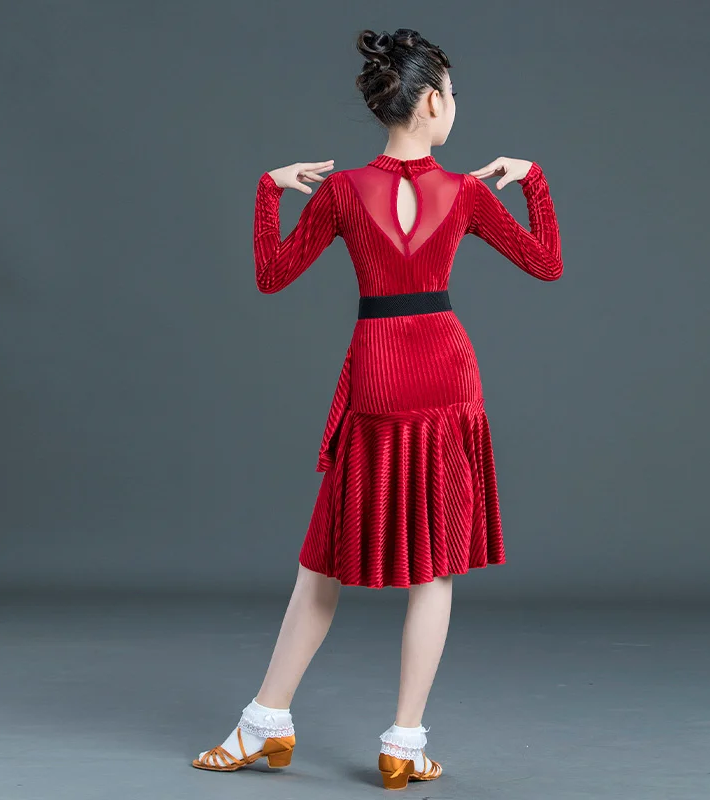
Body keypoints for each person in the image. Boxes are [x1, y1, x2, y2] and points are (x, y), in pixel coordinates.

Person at [192, 26, 562, 791]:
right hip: (447, 372)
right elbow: (546, 263)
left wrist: (267, 190)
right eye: (452, 92)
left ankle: (265, 720)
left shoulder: (339, 193)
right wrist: (533, 179)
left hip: (377, 370)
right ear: (431, 102)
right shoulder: (465, 194)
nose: (454, 103)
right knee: (436, 567)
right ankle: (403, 742)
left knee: (322, 562)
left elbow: (271, 275)